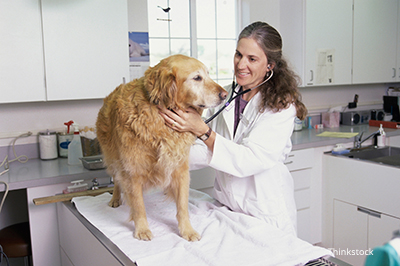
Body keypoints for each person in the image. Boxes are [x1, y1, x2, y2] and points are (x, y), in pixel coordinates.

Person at [158, 21, 307, 236]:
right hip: (229, 208)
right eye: (238, 54)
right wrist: (163, 157)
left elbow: (249, 159)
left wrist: (203, 131)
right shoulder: (227, 95)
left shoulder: (282, 107)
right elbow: (206, 151)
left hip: (265, 212)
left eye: (252, 59)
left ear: (270, 66)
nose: (240, 64)